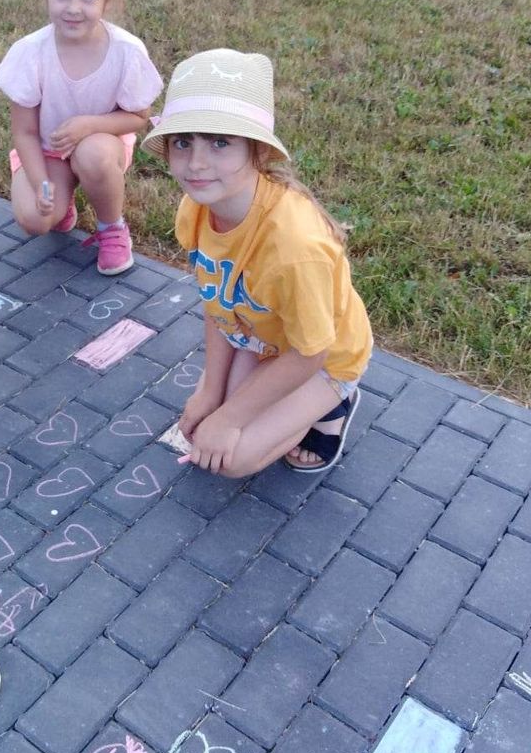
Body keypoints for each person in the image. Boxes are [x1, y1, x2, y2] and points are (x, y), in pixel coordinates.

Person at [143, 49, 373, 477]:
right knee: (207, 430)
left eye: (220, 142)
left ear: (258, 151)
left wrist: (230, 419)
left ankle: (336, 404)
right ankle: (281, 403)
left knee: (231, 459)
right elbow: (216, 302)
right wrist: (210, 393)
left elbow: (311, 352)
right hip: (260, 334)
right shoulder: (195, 210)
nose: (196, 163)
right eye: (182, 141)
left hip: (323, 358)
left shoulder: (294, 248)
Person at [0, 0, 164, 275]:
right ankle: (62, 195)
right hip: (47, 151)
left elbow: (139, 117)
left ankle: (112, 228)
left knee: (93, 154)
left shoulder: (126, 51)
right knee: (35, 218)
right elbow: (25, 132)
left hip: (100, 147)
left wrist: (89, 125)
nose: (73, 8)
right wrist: (42, 183)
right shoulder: (30, 52)